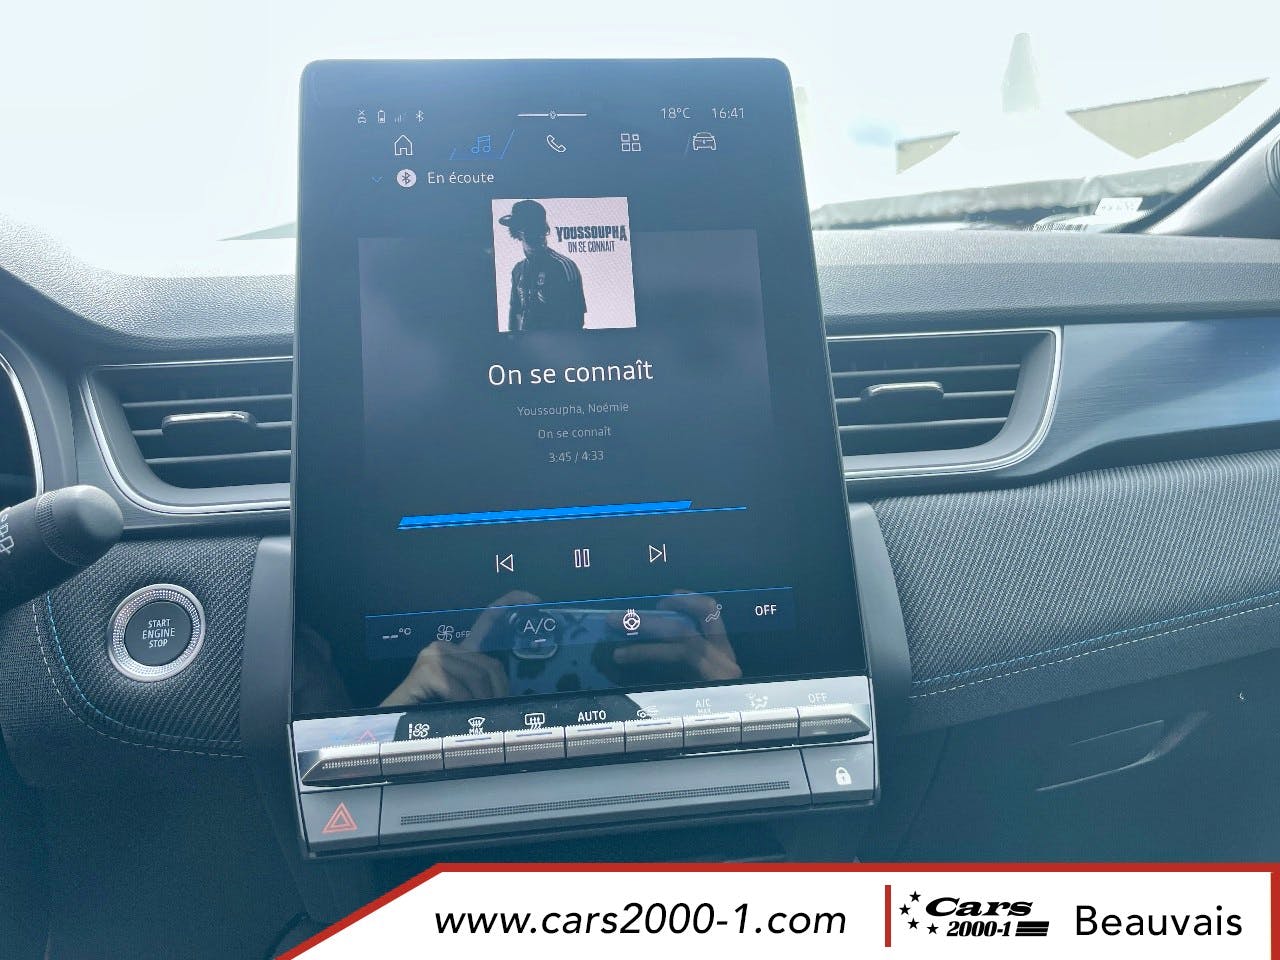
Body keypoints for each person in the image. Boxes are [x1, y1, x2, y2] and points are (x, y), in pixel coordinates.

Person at [500, 200, 587, 331]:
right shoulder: (517, 270)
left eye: (538, 231)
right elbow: (515, 312)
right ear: (518, 233)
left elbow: (576, 320)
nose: (536, 237)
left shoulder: (563, 266)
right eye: (528, 231)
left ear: (544, 231)